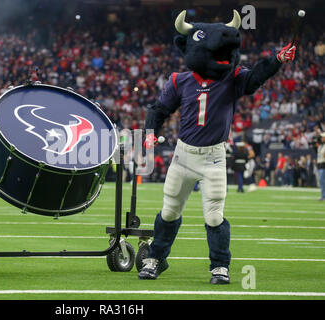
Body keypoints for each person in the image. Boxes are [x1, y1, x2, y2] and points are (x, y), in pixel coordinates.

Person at [139, 10, 296, 284]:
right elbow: (159, 109)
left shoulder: (231, 77)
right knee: (169, 211)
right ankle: (155, 258)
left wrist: (277, 60)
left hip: (213, 156)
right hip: (184, 155)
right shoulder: (180, 80)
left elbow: (256, 77)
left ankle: (219, 266)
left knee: (214, 216)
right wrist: (150, 133)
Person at [316, 133, 325, 200]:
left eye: (323, 137)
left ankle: (323, 195)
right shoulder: (321, 145)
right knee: (321, 181)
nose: (321, 138)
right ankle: (323, 195)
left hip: (323, 164)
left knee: (322, 180)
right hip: (319, 164)